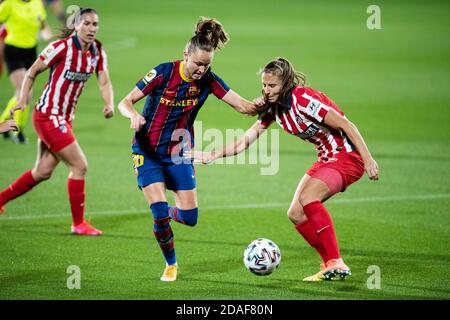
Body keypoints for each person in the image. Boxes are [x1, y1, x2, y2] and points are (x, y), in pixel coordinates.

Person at [188, 57, 379, 282]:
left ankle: (336, 260)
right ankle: (329, 265)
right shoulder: (273, 109)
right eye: (264, 86)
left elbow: (347, 125)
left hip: (348, 156)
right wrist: (212, 155)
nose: (267, 91)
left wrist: (368, 160)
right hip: (327, 157)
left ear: (286, 82)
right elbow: (244, 142)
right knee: (296, 214)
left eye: (272, 86)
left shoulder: (305, 99)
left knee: (309, 198)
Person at [118, 17, 260, 282]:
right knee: (159, 212)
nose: (201, 70)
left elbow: (242, 106)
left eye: (207, 66)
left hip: (179, 153)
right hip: (147, 151)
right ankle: (171, 263)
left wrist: (264, 101)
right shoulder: (163, 72)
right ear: (185, 55)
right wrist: (132, 116)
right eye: (198, 64)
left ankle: (165, 213)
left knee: (190, 217)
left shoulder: (208, 80)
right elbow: (124, 101)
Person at [0, 8, 115, 236]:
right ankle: (78, 223)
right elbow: (32, 72)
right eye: (87, 24)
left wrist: (109, 103)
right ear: (76, 25)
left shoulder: (98, 51)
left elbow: (104, 81)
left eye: (95, 24)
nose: (92, 29)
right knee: (80, 166)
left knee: (42, 172)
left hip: (64, 118)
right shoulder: (61, 47)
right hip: (47, 115)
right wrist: (23, 99)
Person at [0, 0, 54, 144]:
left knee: (22, 94)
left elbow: (43, 24)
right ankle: (18, 132)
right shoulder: (9, 4)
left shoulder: (37, 3)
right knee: (25, 94)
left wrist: (48, 36)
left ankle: (3, 121)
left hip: (31, 52)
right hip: (13, 51)